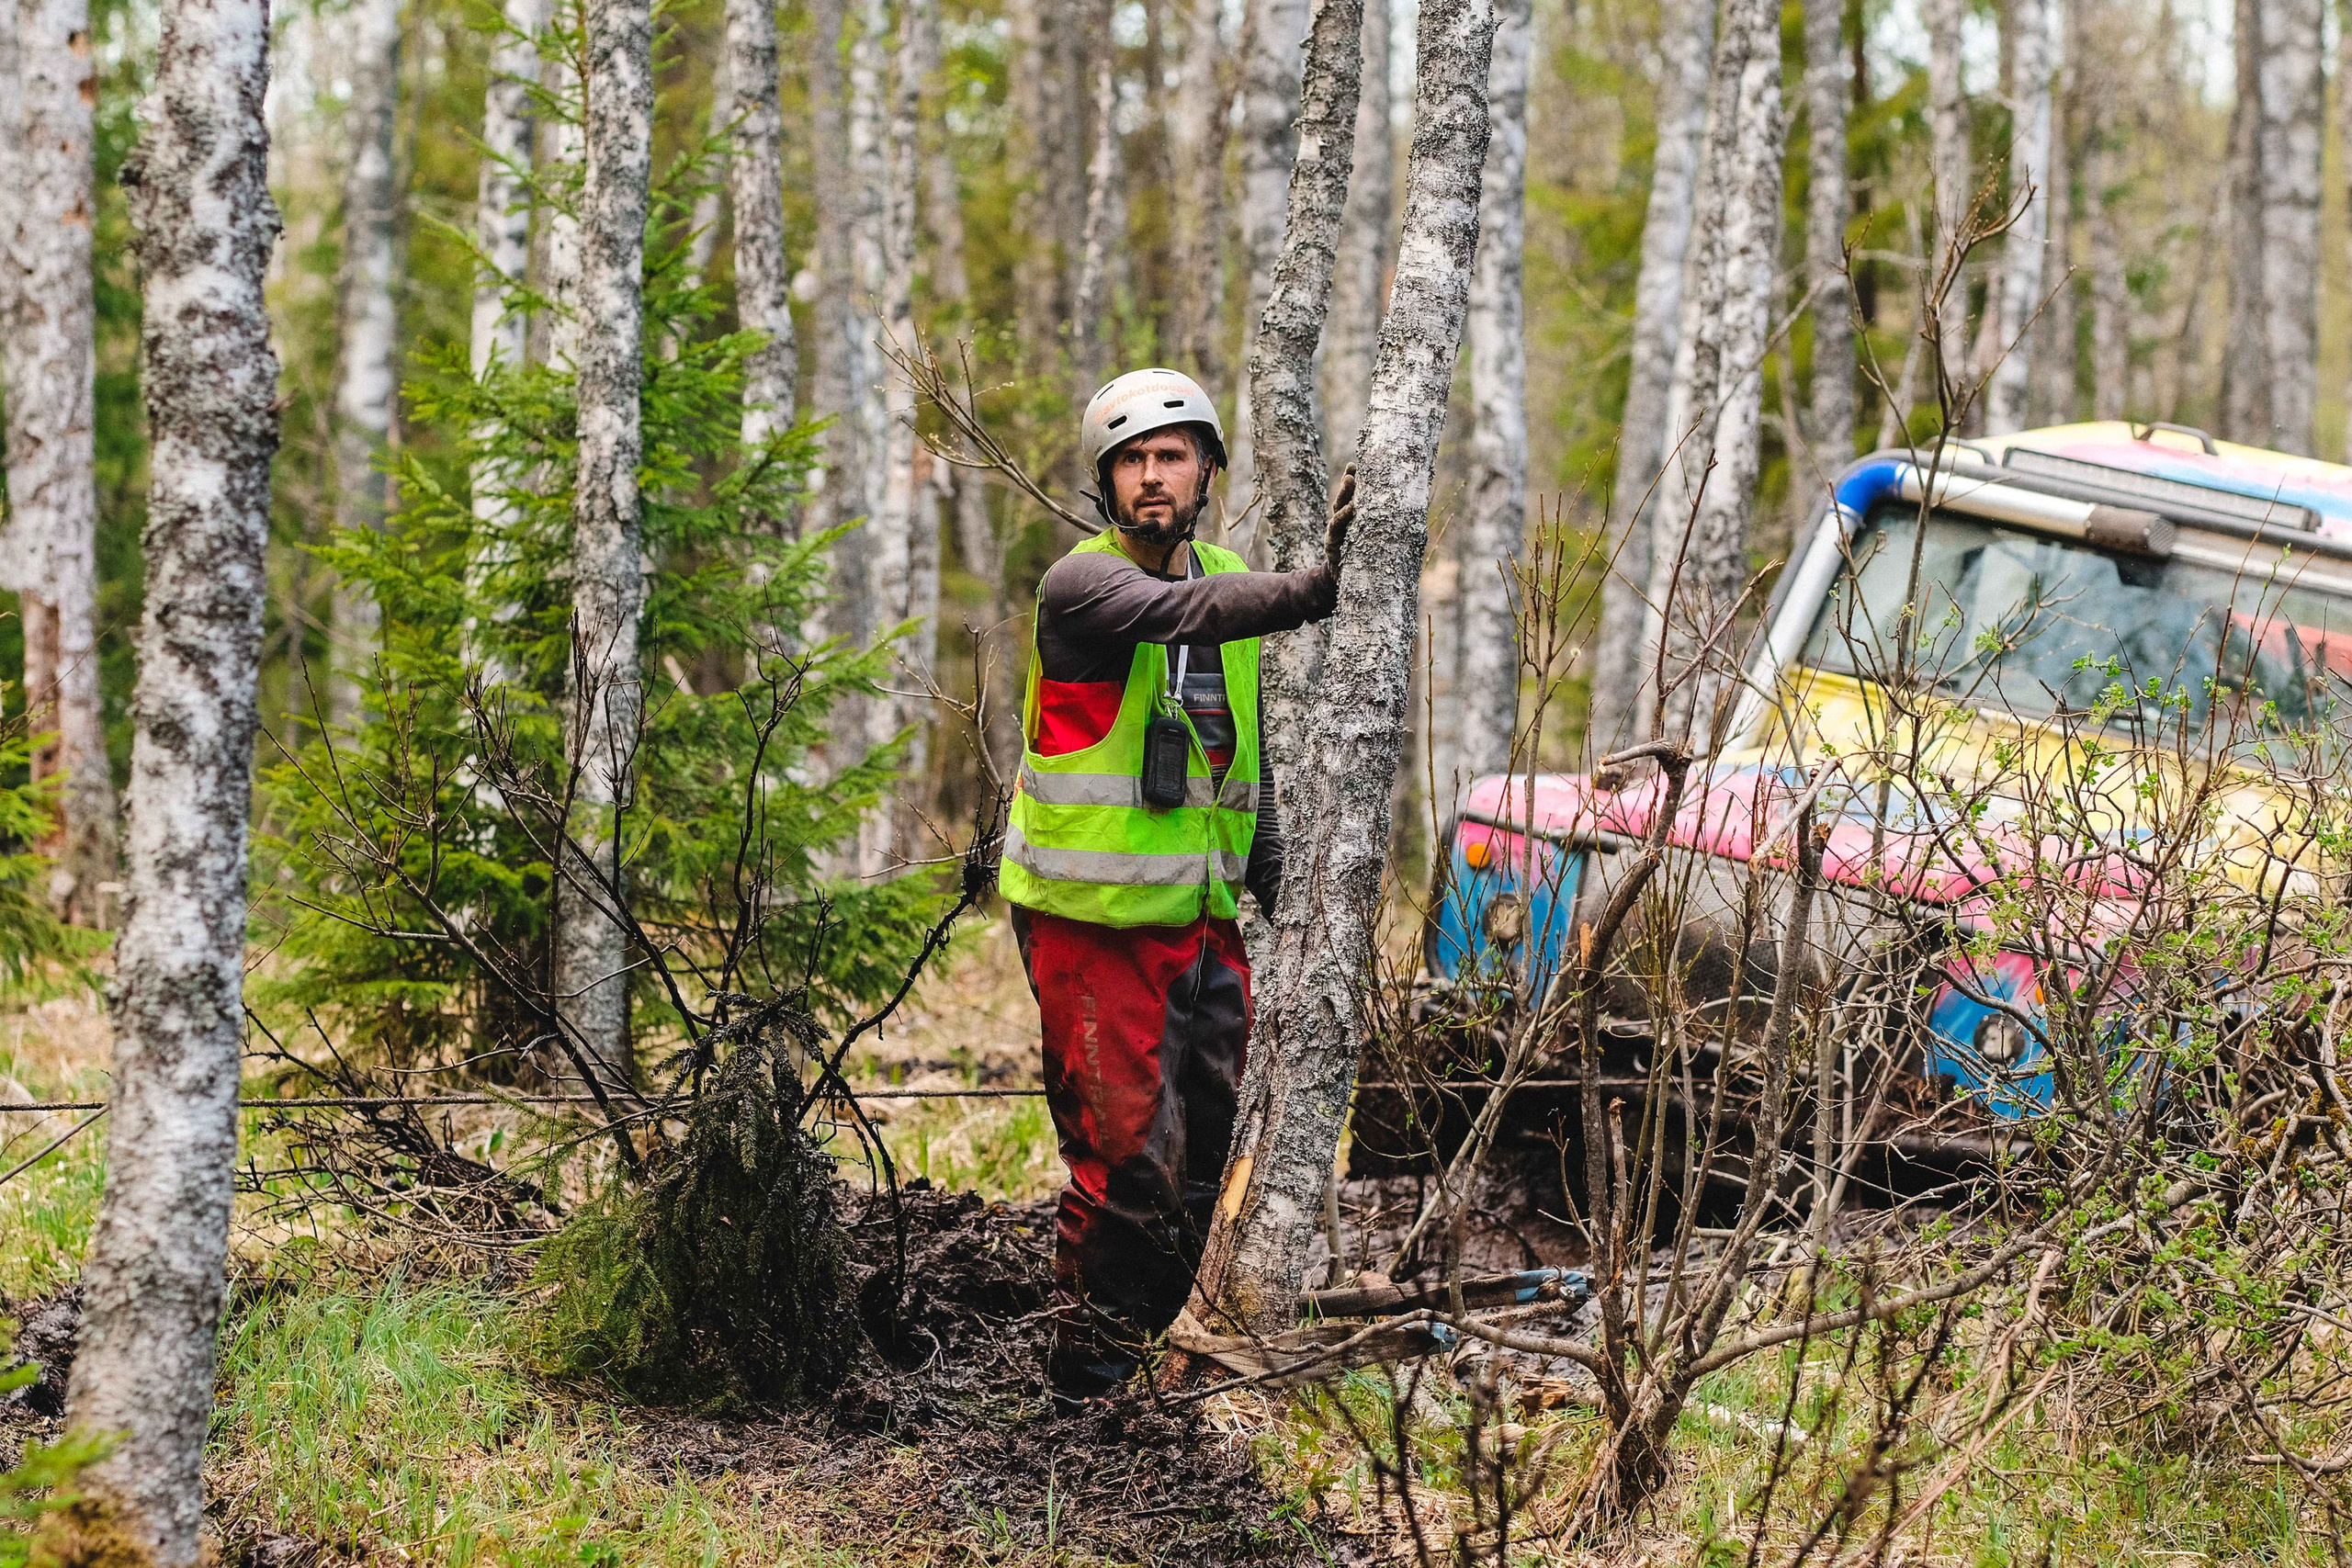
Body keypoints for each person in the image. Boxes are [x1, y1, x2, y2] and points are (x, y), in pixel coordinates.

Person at [1000, 367, 1352, 1406]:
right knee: (1126, 1168)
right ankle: (1086, 1387)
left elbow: (1248, 770)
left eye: (1172, 455)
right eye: (1132, 461)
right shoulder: (1084, 586)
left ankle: (1167, 1354)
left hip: (1202, 925)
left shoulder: (1227, 572)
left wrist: (1287, 902)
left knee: (1206, 1154)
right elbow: (1185, 608)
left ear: (1206, 470)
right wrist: (1319, 588)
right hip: (1094, 928)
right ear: (1104, 482)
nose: (1153, 478)